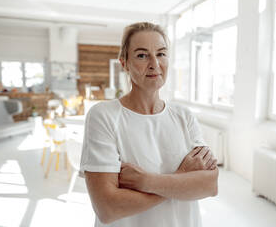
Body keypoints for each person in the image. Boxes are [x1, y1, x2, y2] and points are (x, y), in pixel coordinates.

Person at [80, 22, 219, 227]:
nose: (154, 63)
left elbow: (209, 185)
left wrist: (146, 181)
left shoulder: (184, 116)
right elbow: (107, 208)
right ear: (124, 63)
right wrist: (180, 180)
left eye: (161, 54)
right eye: (142, 55)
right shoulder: (103, 116)